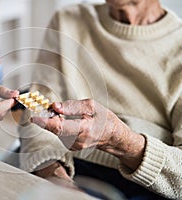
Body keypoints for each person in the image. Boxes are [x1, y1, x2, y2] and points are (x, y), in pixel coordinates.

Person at [19, 0, 182, 199]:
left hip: (150, 183)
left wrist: (121, 140)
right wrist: (58, 180)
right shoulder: (68, 20)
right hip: (60, 164)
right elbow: (37, 114)